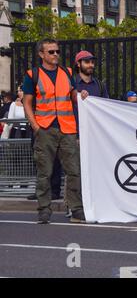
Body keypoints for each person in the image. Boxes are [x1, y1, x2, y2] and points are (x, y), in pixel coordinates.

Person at [22, 38, 85, 224]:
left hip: (67, 128)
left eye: (57, 51)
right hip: (45, 129)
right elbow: (27, 102)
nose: (56, 54)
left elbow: (73, 95)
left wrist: (80, 95)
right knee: (45, 172)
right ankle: (44, 209)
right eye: (51, 52)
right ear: (41, 54)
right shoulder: (32, 74)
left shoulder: (67, 72)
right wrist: (35, 126)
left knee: (74, 171)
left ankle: (76, 210)